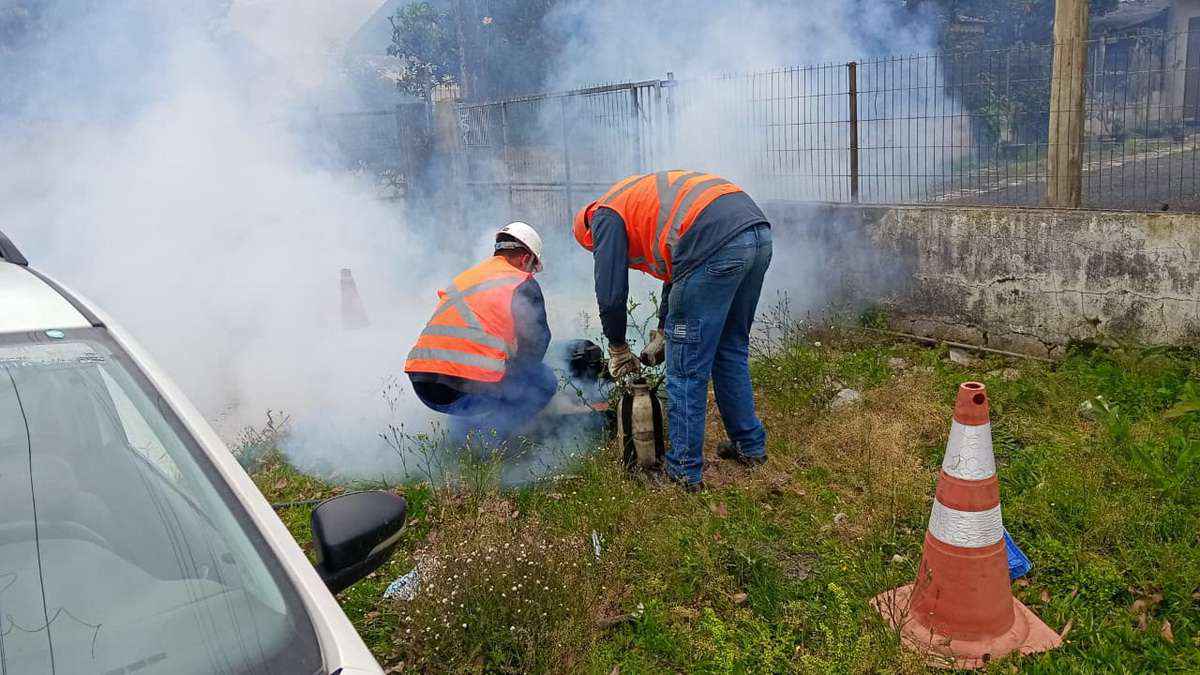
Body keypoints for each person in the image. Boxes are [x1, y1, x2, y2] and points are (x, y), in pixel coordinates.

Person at [573, 171, 773, 490]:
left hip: (714, 242)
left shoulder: (604, 217)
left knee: (685, 370)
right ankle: (750, 447)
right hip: (756, 232)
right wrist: (666, 328)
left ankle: (682, 472)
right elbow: (677, 268)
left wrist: (617, 347)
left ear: (588, 232)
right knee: (730, 348)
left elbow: (611, 294)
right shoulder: (632, 199)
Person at [405, 222, 556, 443]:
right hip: (461, 391)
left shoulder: (466, 277)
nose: (532, 273)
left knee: (478, 377)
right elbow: (536, 345)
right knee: (542, 380)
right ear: (525, 259)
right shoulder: (521, 282)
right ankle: (490, 443)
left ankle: (460, 436)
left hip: (423, 384)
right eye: (533, 267)